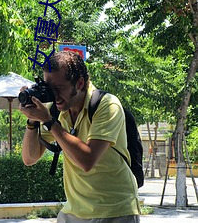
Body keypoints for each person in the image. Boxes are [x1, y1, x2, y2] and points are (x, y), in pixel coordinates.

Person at [19, 51, 140, 223]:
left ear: (80, 83)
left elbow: (87, 160)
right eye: (49, 88)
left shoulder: (107, 105)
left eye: (59, 88)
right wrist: (32, 121)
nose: (54, 95)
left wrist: (48, 121)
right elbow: (29, 158)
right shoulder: (57, 111)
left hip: (114, 210)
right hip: (73, 212)